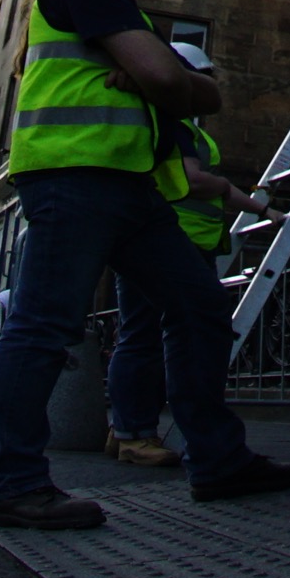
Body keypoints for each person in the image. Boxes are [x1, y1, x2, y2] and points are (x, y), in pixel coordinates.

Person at [0, 0, 290, 530]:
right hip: (76, 179)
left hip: (128, 187)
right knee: (44, 325)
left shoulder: (112, 3)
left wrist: (176, 82)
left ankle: (217, 459)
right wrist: (175, 83)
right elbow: (180, 87)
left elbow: (190, 90)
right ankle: (14, 483)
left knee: (200, 307)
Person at [108, 45, 266, 467]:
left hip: (175, 239)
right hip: (163, 239)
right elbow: (193, 182)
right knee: (146, 334)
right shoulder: (172, 122)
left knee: (145, 333)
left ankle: (127, 428)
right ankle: (133, 433)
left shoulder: (189, 131)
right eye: (200, 75)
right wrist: (215, 185)